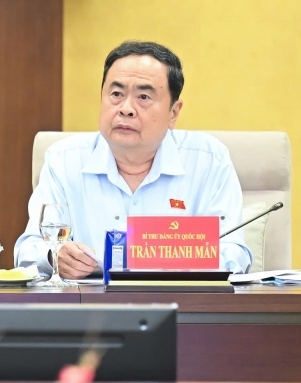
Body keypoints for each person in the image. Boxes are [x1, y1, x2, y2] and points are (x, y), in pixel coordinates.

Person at [14, 41, 252, 278]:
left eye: (144, 97)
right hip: (90, 300)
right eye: (116, 94)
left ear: (173, 112)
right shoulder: (64, 160)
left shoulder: (208, 161)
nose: (126, 108)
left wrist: (185, 261)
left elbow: (234, 252)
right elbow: (28, 249)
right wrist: (54, 256)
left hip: (179, 299)